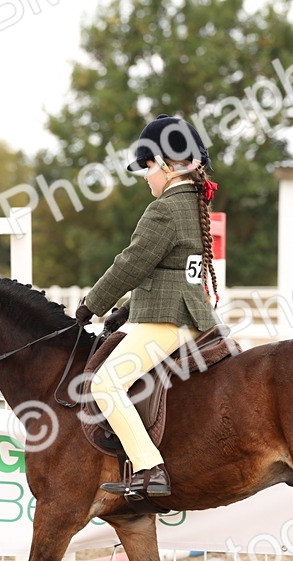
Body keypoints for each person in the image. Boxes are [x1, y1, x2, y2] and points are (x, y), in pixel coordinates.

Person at [74, 114, 221, 498]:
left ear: (167, 166)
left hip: (170, 319)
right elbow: (167, 273)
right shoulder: (194, 203)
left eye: (147, 167)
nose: (145, 177)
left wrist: (93, 304)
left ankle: (148, 467)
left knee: (105, 384)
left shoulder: (165, 209)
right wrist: (126, 307)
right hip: (187, 311)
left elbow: (131, 264)